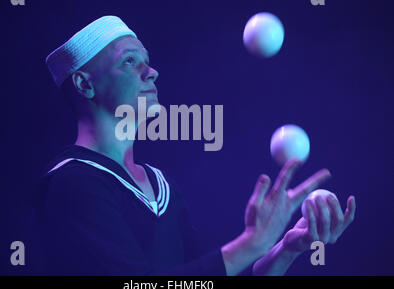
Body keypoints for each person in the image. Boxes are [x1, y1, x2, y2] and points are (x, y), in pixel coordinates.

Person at [36, 15, 356, 275]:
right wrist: (251, 243)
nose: (152, 72)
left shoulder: (163, 186)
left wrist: (284, 248)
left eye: (147, 61)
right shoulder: (72, 183)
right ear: (84, 84)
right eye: (129, 61)